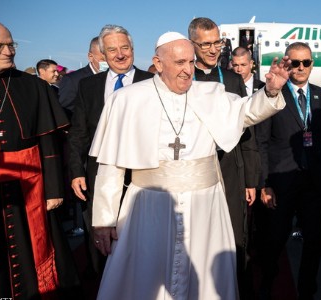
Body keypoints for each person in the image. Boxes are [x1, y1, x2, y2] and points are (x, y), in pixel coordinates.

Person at [89, 31, 289, 300]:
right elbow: (111, 165)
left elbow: (246, 112)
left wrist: (271, 91)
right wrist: (104, 220)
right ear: (158, 64)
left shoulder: (210, 93)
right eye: (179, 63)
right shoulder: (126, 99)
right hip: (149, 208)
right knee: (146, 277)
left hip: (204, 206)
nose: (187, 71)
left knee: (203, 281)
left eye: (191, 63)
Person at [67, 24, 153, 280]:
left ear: (133, 50)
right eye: (112, 49)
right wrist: (76, 172)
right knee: (101, 246)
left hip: (142, 177)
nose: (119, 54)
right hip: (98, 178)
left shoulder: (152, 83)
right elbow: (79, 133)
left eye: (124, 48)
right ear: (102, 54)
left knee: (141, 244)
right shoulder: (88, 86)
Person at [0, 22, 77, 299]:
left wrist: (55, 189)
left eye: (11, 44)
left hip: (29, 184)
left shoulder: (32, 85)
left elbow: (49, 142)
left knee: (35, 250)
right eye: (1, 46)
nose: (9, 51)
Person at [255, 42, 321, 299]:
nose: (301, 68)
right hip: (281, 181)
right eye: (295, 63)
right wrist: (264, 183)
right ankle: (268, 282)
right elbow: (262, 141)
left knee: (314, 241)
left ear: (312, 64)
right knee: (275, 239)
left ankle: (306, 289)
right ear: (286, 63)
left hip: (314, 183)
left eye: (306, 63)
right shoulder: (272, 93)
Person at [188, 17, 261, 298]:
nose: (212, 49)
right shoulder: (184, 79)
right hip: (195, 168)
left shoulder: (232, 79)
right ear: (193, 44)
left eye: (217, 42)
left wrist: (251, 179)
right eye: (205, 44)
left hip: (231, 169)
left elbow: (247, 131)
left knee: (233, 237)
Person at [59, 36, 106, 118]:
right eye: (103, 60)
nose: (107, 63)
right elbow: (66, 110)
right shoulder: (73, 80)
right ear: (90, 56)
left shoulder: (117, 77)